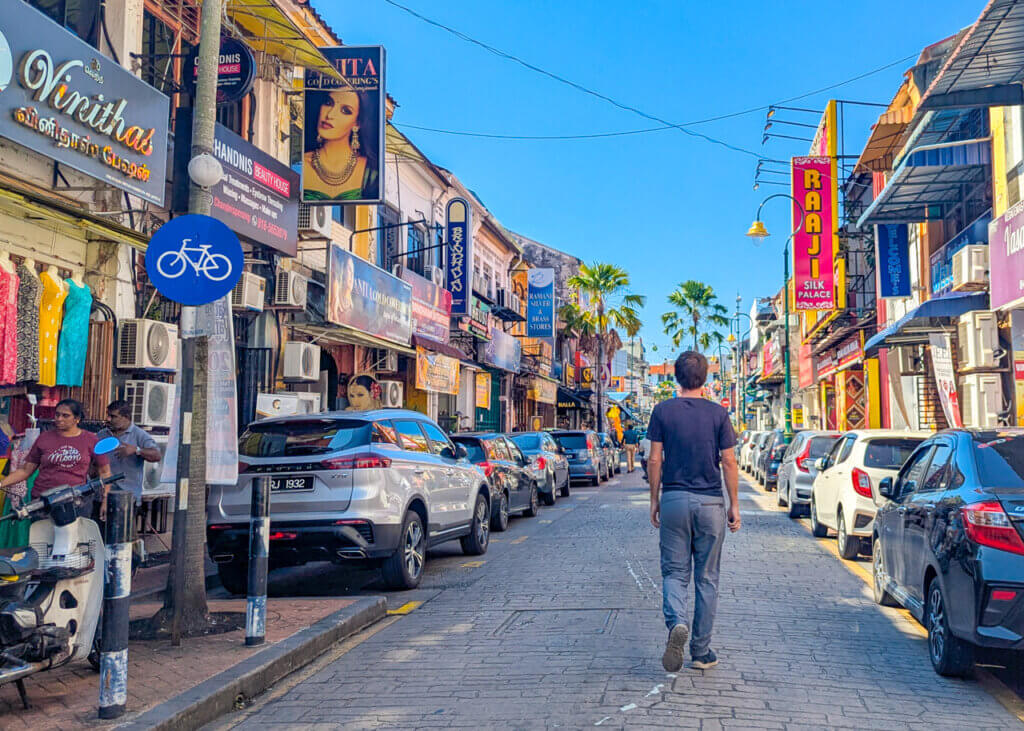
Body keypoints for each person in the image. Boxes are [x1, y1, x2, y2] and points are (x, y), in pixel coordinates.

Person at [647, 352, 740, 672]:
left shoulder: (662, 411)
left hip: (673, 498)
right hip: (711, 503)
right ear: (706, 378)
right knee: (707, 578)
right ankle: (701, 652)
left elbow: (655, 459)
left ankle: (676, 622)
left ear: (675, 377)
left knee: (674, 573)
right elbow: (729, 461)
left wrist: (654, 499)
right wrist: (734, 505)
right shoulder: (719, 414)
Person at [0, 398, 111, 517]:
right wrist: (1, 484)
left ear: (77, 419)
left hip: (74, 502)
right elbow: (25, 470)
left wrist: (105, 499)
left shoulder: (90, 439)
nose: (59, 419)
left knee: (72, 536)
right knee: (42, 535)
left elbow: (105, 472)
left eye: (65, 416)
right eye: (57, 414)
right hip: (43, 502)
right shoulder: (44, 438)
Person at [303, 89, 379, 201]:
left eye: (345, 110)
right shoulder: (300, 163)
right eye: (328, 103)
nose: (330, 115)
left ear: (357, 123)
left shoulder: (371, 173)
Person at [97, 399, 162, 506]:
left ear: (126, 417)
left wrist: (137, 450)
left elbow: (157, 455)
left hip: (127, 496)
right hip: (101, 495)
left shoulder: (139, 434)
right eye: (108, 415)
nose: (109, 419)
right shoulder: (102, 434)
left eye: (113, 416)